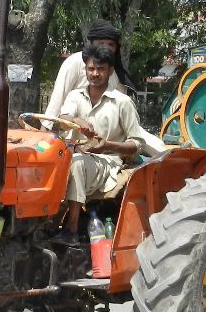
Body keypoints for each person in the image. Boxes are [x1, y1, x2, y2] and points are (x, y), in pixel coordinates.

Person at [56, 43, 142, 237]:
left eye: (100, 69)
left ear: (110, 71)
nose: (95, 74)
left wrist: (107, 146)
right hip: (73, 153)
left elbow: (136, 144)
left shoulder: (123, 102)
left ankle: (71, 229)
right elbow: (64, 119)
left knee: (77, 164)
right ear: (85, 69)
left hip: (107, 162)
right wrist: (76, 120)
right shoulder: (74, 96)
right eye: (91, 68)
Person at [44, 20, 135, 120]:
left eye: (111, 45)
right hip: (71, 129)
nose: (106, 48)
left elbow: (121, 111)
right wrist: (46, 130)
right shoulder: (75, 62)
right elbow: (58, 98)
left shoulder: (117, 72)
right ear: (92, 43)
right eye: (101, 43)